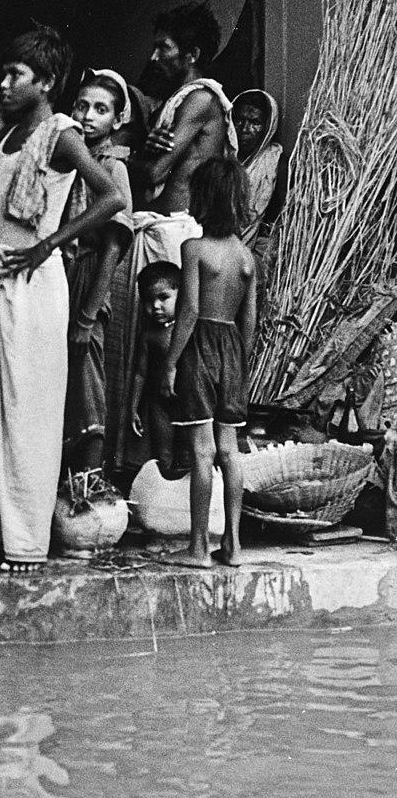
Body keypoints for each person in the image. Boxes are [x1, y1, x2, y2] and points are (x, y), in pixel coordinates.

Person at [0, 25, 124, 573]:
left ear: (48, 82)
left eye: (18, 75)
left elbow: (112, 197)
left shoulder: (60, 134)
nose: (4, 84)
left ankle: (26, 540)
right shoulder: (10, 135)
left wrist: (49, 244)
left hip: (34, 286)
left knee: (28, 411)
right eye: (5, 73)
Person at [114, 2, 239, 475]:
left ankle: (180, 470)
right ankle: (152, 467)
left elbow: (155, 171)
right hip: (162, 229)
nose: (154, 56)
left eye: (164, 47)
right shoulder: (179, 99)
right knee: (149, 350)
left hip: (174, 233)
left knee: (171, 355)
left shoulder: (200, 99)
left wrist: (125, 155)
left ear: (192, 54)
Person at [160, 157, 256, 569]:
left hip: (200, 346)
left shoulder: (194, 249)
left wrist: (171, 362)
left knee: (202, 451)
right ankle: (233, 545)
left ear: (203, 199)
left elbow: (190, 311)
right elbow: (249, 322)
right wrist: (239, 366)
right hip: (232, 350)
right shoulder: (247, 257)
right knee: (229, 452)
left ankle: (198, 548)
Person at [65, 68, 133, 471]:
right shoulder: (70, 158)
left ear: (117, 120)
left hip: (89, 279)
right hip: (62, 276)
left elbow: (113, 245)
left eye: (101, 109)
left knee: (87, 379)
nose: (88, 116)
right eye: (82, 106)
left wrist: (88, 316)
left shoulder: (113, 167)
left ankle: (89, 482)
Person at [128, 262, 181, 475]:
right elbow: (140, 373)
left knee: (191, 454)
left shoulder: (187, 330)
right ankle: (166, 491)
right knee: (164, 455)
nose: (156, 306)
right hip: (160, 405)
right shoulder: (149, 335)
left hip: (189, 403)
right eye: (148, 301)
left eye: (163, 297)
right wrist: (133, 408)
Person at [232, 89, 282, 248]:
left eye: (255, 123)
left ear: (268, 127)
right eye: (239, 120)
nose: (244, 129)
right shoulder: (220, 156)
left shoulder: (274, 164)